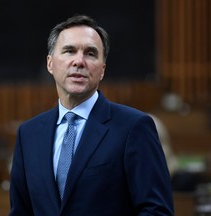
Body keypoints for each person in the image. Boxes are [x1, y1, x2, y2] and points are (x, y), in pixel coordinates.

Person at [9, 14, 174, 215]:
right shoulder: (29, 133)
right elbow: (21, 211)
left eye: (90, 53)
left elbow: (156, 211)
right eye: (69, 51)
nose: (79, 61)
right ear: (50, 64)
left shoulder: (134, 127)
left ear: (102, 70)